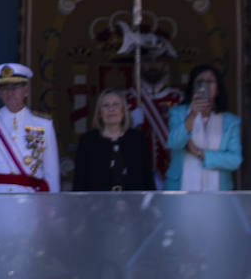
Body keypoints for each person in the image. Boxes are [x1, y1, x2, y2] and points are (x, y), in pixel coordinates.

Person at [0, 63, 59, 193]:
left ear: (26, 90)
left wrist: (51, 208)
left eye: (16, 87)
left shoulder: (43, 124)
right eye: (4, 88)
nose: (10, 93)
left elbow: (51, 174)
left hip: (29, 202)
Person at [166, 65, 242, 191]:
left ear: (217, 89)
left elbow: (235, 160)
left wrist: (200, 153)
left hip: (218, 193)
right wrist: (193, 114)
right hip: (181, 190)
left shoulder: (231, 121)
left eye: (210, 81)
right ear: (193, 87)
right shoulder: (178, 113)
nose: (205, 84)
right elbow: (174, 143)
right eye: (200, 81)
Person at [73, 89, 154, 191]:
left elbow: (147, 176)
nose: (111, 109)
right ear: (99, 113)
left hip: (133, 203)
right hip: (97, 204)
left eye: (116, 104)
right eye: (106, 105)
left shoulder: (137, 139)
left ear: (123, 111)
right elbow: (79, 180)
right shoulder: (87, 141)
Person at [124, 55, 183, 188]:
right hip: (137, 171)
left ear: (165, 65)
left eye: (157, 60)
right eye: (147, 60)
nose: (152, 65)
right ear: (139, 65)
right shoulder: (127, 99)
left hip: (170, 171)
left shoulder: (178, 98)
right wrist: (129, 124)